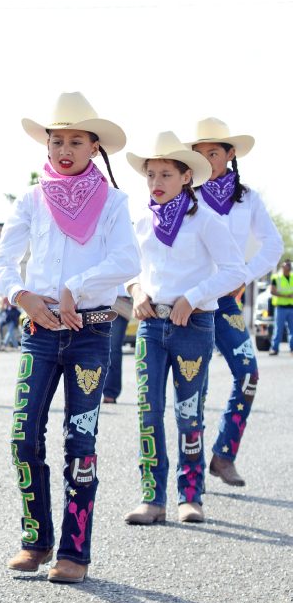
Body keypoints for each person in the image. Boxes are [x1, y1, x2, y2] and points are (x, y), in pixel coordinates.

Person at [0, 92, 140, 584]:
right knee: (22, 436)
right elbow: (4, 261)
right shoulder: (33, 199)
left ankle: (74, 551)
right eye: (57, 141)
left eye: (77, 140)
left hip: (91, 333)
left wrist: (76, 287)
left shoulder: (115, 202)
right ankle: (35, 540)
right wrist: (21, 295)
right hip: (38, 331)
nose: (65, 149)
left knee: (81, 440)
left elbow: (127, 262)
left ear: (95, 147)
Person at [122, 133, 246, 526]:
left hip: (193, 324)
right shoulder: (141, 220)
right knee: (147, 412)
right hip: (151, 326)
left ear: (186, 176)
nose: (156, 182)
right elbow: (127, 268)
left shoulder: (206, 220)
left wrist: (192, 297)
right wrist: (136, 289)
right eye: (151, 174)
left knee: (189, 413)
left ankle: (190, 496)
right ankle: (152, 497)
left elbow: (234, 271)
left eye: (166, 174)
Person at [186, 119, 283, 488]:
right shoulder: (183, 193)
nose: (208, 159)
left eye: (215, 152)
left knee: (248, 374)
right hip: (188, 306)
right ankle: (189, 476)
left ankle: (224, 455)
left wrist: (243, 275)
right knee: (195, 384)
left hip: (225, 304)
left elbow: (272, 246)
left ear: (231, 154)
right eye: (200, 153)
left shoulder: (248, 198)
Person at [100, 287, 130, 403]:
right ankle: (88, 392)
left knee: (113, 349)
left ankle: (110, 392)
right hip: (95, 297)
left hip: (119, 301)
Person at [269, 259, 293, 354]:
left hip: (291, 307)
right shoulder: (276, 277)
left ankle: (292, 348)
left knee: (292, 330)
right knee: (278, 329)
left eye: (288, 266)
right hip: (280, 308)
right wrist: (286, 296)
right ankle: (275, 348)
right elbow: (272, 291)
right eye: (285, 265)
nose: (287, 267)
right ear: (282, 267)